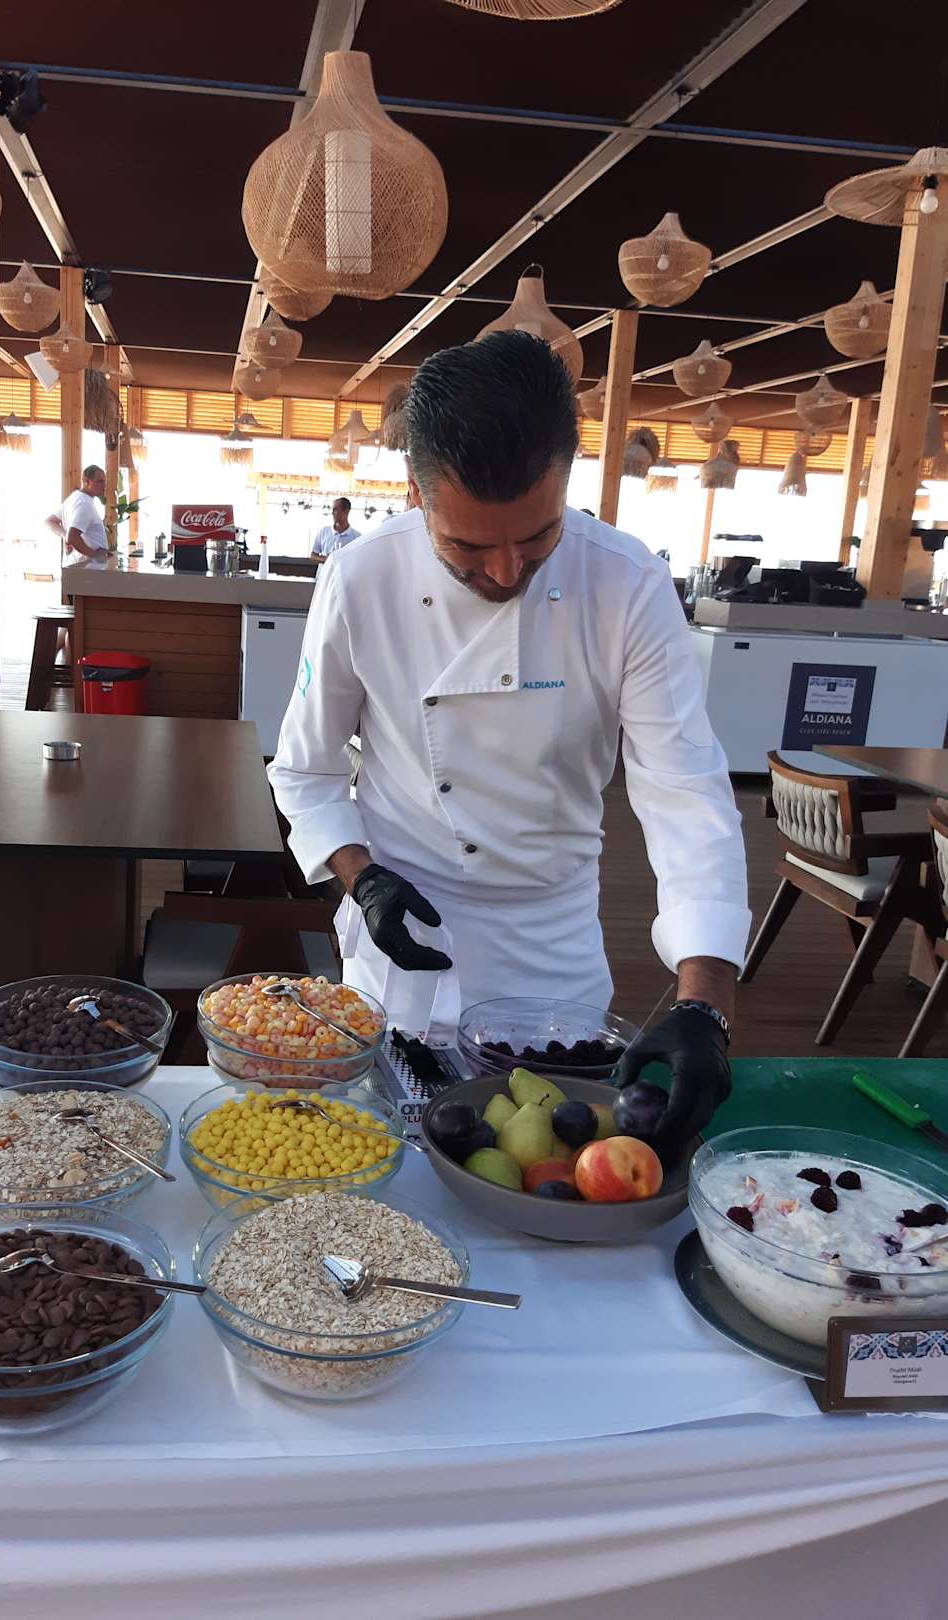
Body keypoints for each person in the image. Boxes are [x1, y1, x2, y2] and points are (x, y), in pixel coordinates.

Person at [268, 331, 749, 1148]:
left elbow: (683, 790)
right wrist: (362, 880)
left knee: (549, 1160)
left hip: (548, 945)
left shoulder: (626, 583)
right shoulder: (360, 577)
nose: (503, 571)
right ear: (416, 495)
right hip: (398, 937)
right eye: (467, 546)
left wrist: (704, 1003)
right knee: (378, 1159)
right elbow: (305, 772)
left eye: (535, 539)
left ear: (566, 479)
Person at [60, 465, 108, 567]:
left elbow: (50, 521)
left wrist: (64, 535)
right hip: (86, 569)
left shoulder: (73, 498)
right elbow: (72, 537)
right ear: (87, 481)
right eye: (100, 481)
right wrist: (95, 555)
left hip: (75, 566)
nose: (104, 485)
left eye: (104, 481)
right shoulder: (84, 503)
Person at [309, 497, 360, 564]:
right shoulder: (323, 531)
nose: (332, 513)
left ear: (346, 511)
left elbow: (359, 560)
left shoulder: (357, 537)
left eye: (335, 510)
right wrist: (327, 560)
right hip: (325, 571)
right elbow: (313, 556)